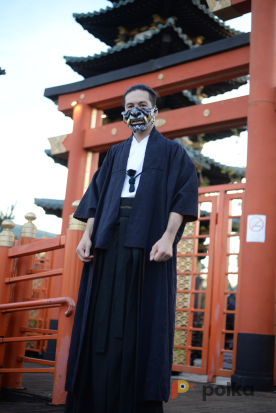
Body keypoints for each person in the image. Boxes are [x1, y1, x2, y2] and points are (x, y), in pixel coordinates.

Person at [63, 84, 198, 413]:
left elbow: (182, 198)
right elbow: (96, 199)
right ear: (123, 113)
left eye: (142, 105)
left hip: (149, 241)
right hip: (109, 240)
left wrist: (168, 236)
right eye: (129, 106)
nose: (135, 111)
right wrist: (86, 235)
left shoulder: (174, 153)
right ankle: (93, 397)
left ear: (154, 109)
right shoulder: (115, 154)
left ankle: (136, 400)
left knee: (143, 318)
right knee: (99, 315)